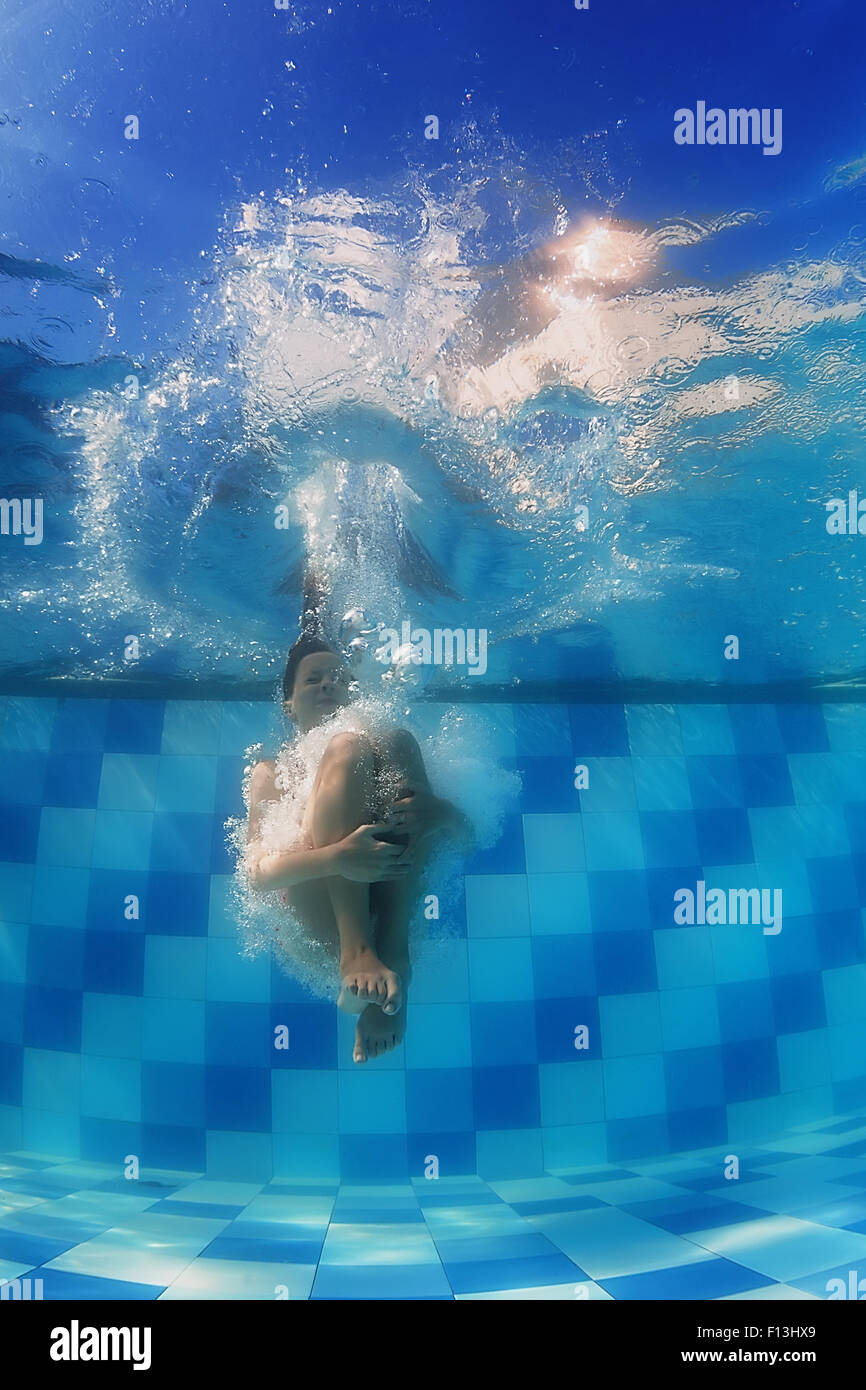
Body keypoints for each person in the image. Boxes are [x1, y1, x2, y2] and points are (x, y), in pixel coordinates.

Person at [242, 588, 470, 1064]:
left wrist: (441, 813)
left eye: (339, 678)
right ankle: (357, 953)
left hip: (393, 906)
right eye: (312, 680)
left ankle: (392, 954)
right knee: (347, 746)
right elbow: (256, 874)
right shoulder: (272, 770)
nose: (328, 684)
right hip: (319, 914)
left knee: (398, 739)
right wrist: (336, 856)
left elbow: (466, 838)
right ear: (288, 704)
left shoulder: (377, 744)